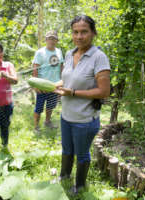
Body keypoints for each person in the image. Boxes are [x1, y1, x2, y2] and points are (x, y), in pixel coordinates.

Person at [54, 15, 111, 194]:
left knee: (82, 153)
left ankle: (79, 186)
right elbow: (68, 80)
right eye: (75, 32)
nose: (79, 36)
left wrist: (73, 93)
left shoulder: (99, 57)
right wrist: (49, 86)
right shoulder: (69, 54)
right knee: (67, 149)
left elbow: (104, 91)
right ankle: (64, 176)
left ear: (93, 33)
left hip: (84, 120)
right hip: (66, 115)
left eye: (84, 32)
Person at [32, 30, 64, 133]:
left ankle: (47, 121)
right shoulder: (40, 52)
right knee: (39, 107)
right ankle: (36, 127)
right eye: (50, 38)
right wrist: (35, 85)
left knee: (51, 105)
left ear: (57, 40)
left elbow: (61, 66)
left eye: (54, 39)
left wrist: (62, 81)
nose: (52, 41)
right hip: (42, 85)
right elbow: (35, 68)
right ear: (46, 40)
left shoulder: (59, 51)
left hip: (55, 85)